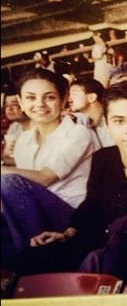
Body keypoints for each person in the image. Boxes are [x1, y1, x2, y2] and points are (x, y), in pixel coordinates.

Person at [16, 81, 127, 278]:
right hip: (97, 243)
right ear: (107, 124)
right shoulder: (104, 157)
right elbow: (92, 205)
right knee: (30, 259)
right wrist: (68, 232)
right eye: (119, 121)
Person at [1, 69, 98, 256]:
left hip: (72, 216)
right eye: (30, 98)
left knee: (8, 182)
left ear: (63, 100)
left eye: (49, 97)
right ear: (21, 102)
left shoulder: (77, 133)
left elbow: (45, 178)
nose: (39, 104)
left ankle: (38, 258)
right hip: (35, 210)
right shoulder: (24, 139)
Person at [68, 77, 115, 148]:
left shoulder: (113, 120)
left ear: (92, 97)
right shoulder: (81, 123)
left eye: (74, 94)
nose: (69, 99)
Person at [1, 83, 33, 165]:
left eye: (15, 104)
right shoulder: (14, 127)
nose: (9, 109)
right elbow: (7, 157)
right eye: (6, 105)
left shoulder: (40, 127)